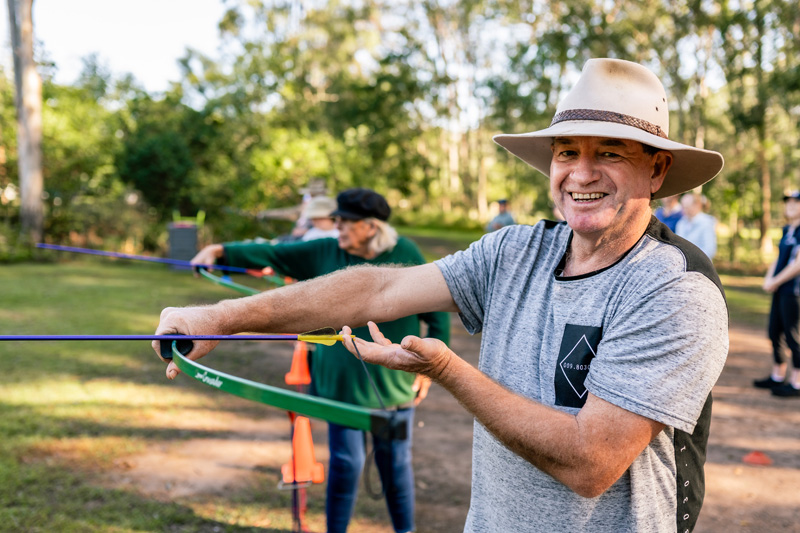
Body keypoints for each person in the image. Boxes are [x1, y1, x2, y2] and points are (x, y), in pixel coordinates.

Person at [154, 59, 728, 532]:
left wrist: (450, 370)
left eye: (609, 152)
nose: (580, 173)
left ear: (657, 170)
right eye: (566, 152)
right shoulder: (516, 251)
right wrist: (222, 318)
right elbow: (380, 284)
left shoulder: (675, 288)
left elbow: (590, 462)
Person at [188, 187, 449, 533]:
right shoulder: (326, 251)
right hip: (339, 383)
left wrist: (429, 370)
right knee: (346, 462)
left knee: (395, 463)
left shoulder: (406, 253)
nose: (336, 227)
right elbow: (274, 253)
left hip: (393, 383)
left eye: (344, 222)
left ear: (371, 227)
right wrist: (220, 251)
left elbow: (438, 316)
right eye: (336, 220)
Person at [755, 190, 800, 397]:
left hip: (795, 292)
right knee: (774, 332)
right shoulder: (787, 230)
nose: (790, 205)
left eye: (795, 202)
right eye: (788, 202)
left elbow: (798, 264)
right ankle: (777, 376)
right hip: (781, 289)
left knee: (794, 336)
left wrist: (776, 281)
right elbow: (779, 258)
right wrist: (769, 278)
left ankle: (796, 382)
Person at [675, 192, 717, 259]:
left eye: (687, 207)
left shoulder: (706, 223)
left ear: (697, 205)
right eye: (683, 207)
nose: (684, 210)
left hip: (700, 266)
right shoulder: (681, 223)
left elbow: (709, 250)